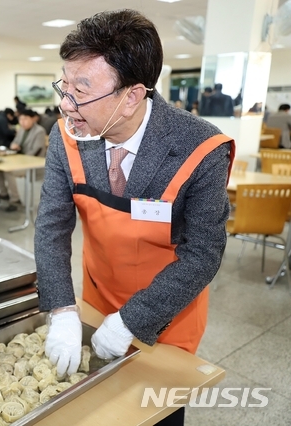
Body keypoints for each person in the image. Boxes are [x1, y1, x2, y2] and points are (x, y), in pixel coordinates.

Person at [34, 9, 234, 426]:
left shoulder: (200, 148)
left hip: (167, 313)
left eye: (81, 91)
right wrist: (62, 312)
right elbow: (52, 228)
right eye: (64, 85)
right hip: (96, 297)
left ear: (131, 96)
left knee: (155, 415)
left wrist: (132, 320)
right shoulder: (67, 135)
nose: (65, 104)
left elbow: (203, 255)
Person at [0, 109, 47, 212]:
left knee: (9, 171)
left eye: (25, 119)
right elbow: (14, 143)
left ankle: (15, 199)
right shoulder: (21, 130)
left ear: (33, 119)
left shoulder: (39, 131)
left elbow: (36, 151)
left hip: (32, 163)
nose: (22, 122)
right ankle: (4, 193)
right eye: (20, 119)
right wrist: (14, 146)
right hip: (19, 160)